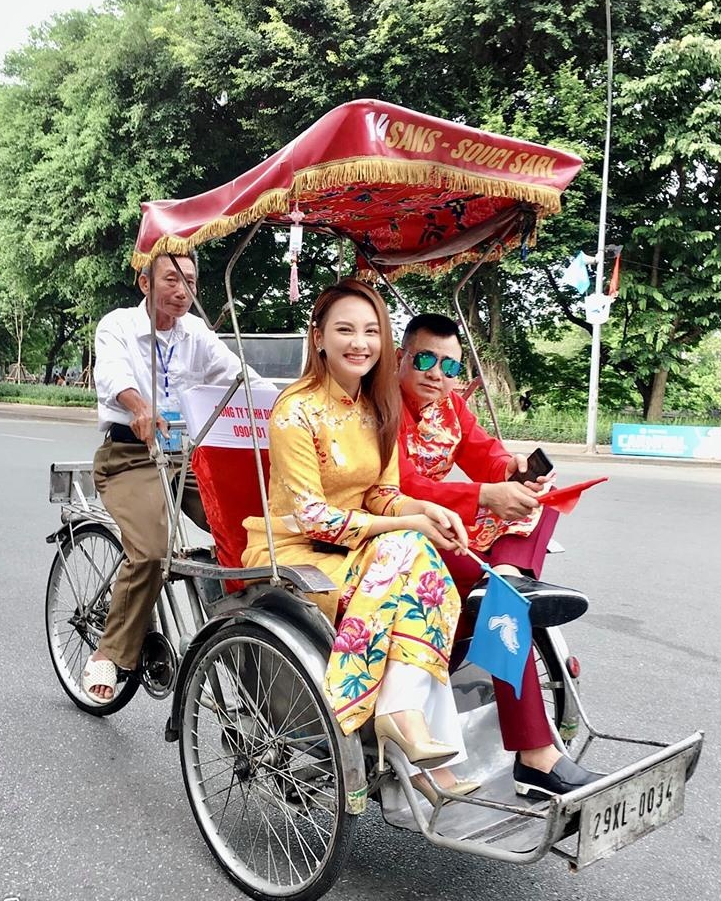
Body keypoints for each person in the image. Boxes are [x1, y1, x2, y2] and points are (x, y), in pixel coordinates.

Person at [242, 280, 476, 802]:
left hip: (359, 550)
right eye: (345, 329)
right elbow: (315, 518)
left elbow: (383, 495)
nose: (360, 343)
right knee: (411, 556)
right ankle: (414, 743)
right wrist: (407, 527)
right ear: (318, 338)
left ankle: (404, 723)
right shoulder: (294, 410)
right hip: (294, 551)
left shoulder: (376, 408)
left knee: (422, 567)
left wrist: (425, 510)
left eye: (371, 331)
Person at [396, 313, 599, 799]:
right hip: (408, 527)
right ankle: (535, 756)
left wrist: (513, 470)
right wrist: (485, 495)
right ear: (401, 358)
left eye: (448, 366)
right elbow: (399, 486)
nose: (436, 374)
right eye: (424, 359)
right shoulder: (381, 408)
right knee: (506, 607)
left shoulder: (451, 408)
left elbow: (485, 453)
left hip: (451, 523)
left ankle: (506, 573)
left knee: (542, 502)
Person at [83, 250, 268, 702]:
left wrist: (281, 407)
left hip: (184, 458)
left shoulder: (196, 333)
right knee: (151, 551)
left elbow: (237, 374)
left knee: (251, 527)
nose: (182, 291)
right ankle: (108, 652)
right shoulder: (118, 326)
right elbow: (112, 373)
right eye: (171, 280)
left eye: (189, 280)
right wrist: (138, 405)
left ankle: (249, 629)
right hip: (130, 456)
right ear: (145, 284)